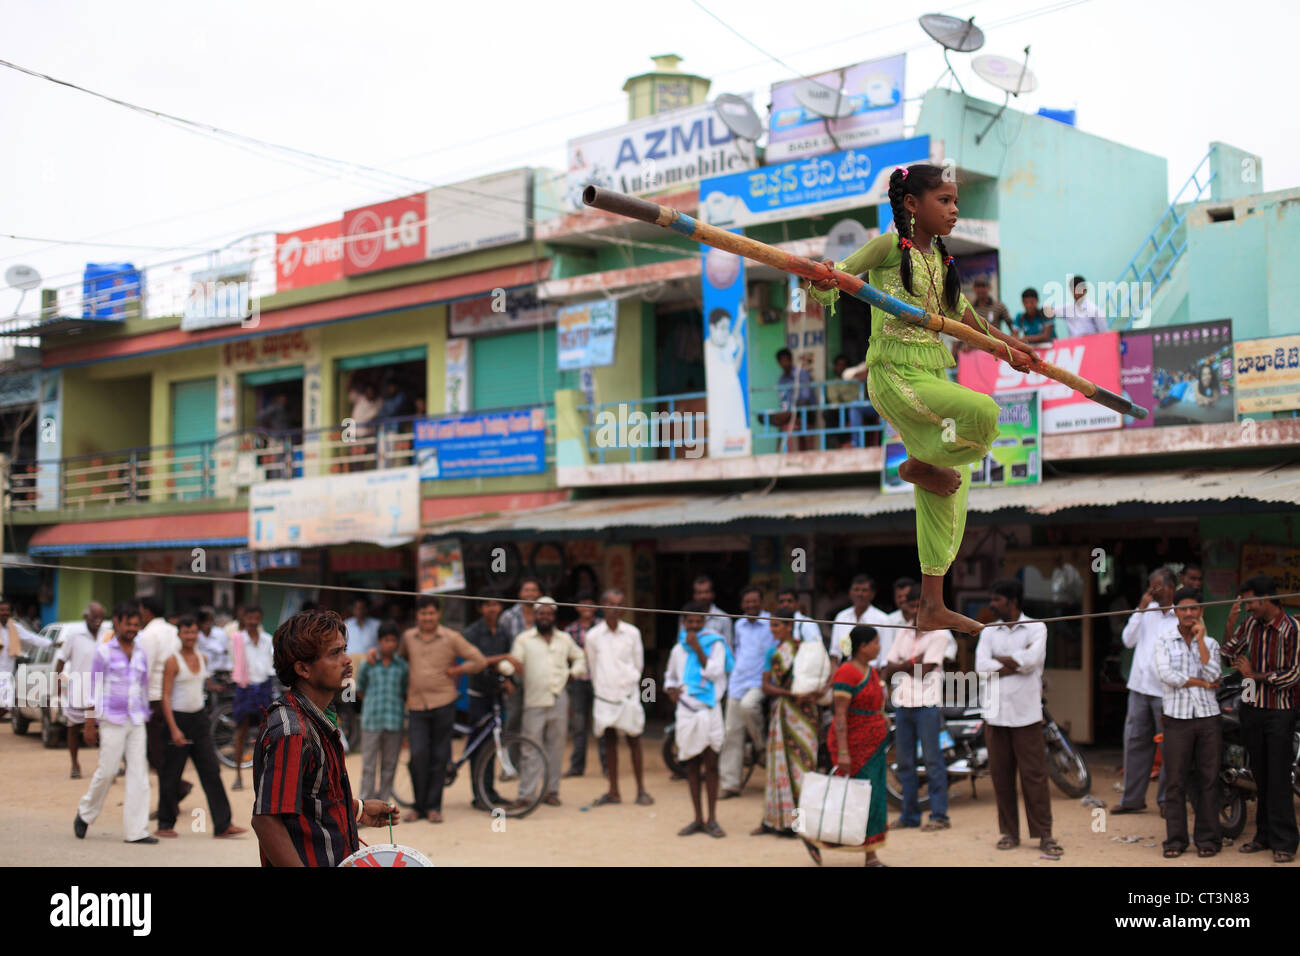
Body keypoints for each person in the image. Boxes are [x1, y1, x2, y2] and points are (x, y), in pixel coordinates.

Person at [811, 163, 1040, 636]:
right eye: (945, 201)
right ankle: (915, 466)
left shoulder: (941, 262)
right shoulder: (890, 247)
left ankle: (931, 604)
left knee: (951, 487)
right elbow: (829, 279)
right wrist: (826, 275)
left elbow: (968, 319)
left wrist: (1009, 347)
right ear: (913, 204)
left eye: (957, 202)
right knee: (984, 411)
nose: (955, 210)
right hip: (894, 375)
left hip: (931, 373)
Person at [251, 609, 399, 866]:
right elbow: (266, 820)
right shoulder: (293, 731)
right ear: (303, 668)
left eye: (344, 650)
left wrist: (358, 810)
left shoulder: (318, 716)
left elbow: (310, 799)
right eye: (334, 653)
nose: (347, 660)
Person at [371, 594, 484, 823]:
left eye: (432, 613)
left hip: (444, 703)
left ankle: (433, 807)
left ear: (438, 614)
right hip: (416, 705)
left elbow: (479, 660)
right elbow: (396, 658)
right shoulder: (408, 638)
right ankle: (418, 807)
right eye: (423, 613)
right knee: (418, 755)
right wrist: (375, 653)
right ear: (417, 616)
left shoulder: (451, 637)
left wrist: (458, 671)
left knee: (439, 756)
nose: (427, 617)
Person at [975, 578, 1062, 857]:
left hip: (1026, 715)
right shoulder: (988, 631)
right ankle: (1009, 833)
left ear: (1012, 602)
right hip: (996, 715)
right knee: (1001, 777)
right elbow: (981, 667)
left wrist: (1001, 661)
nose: (992, 604)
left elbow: (1031, 662)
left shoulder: (1037, 627)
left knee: (1034, 776)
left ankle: (1045, 835)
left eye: (997, 600)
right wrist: (1015, 662)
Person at [1221, 574, 1300, 863]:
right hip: (1252, 708)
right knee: (1261, 775)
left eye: (1251, 602)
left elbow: (1293, 674)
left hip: (1280, 711)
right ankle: (1263, 836)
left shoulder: (1293, 628)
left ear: (1266, 599)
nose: (1248, 608)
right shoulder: (1250, 624)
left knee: (1279, 777)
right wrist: (1231, 621)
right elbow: (1229, 654)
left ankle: (1286, 842)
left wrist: (1255, 675)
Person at [803, 625, 889, 867]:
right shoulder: (847, 673)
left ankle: (871, 855)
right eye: (875, 642)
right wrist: (843, 752)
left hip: (873, 745)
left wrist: (880, 717)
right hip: (852, 745)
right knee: (848, 799)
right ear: (863, 647)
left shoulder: (870, 671)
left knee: (872, 799)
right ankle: (810, 833)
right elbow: (840, 716)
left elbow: (872, 705)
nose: (878, 647)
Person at [74, 601, 156, 845]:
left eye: (136, 624)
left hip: (136, 719)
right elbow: (92, 689)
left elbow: (143, 686)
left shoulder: (141, 652)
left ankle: (137, 831)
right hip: (111, 719)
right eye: (128, 624)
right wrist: (89, 723)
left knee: (139, 774)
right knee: (107, 771)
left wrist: (145, 715)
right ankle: (85, 812)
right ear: (117, 623)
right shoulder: (103, 652)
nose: (133, 628)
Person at [156, 615, 245, 840]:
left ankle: (223, 824)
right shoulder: (172, 661)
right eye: (186, 632)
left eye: (193, 632)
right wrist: (174, 729)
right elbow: (165, 696)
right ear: (179, 634)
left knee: (211, 771)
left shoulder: (202, 657)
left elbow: (202, 686)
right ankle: (165, 823)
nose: (190, 636)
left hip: (199, 721)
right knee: (171, 773)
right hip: (178, 720)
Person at [1154, 587, 1222, 859]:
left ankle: (1207, 840)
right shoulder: (1164, 640)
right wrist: (1203, 683)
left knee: (1209, 780)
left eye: (1194, 608)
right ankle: (1175, 840)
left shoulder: (1212, 643)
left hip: (1208, 718)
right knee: (1175, 782)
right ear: (1176, 611)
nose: (1189, 613)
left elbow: (1215, 673)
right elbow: (1167, 675)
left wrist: (1201, 640)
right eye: (1183, 609)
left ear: (1201, 612)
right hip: (1176, 719)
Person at [884, 583, 953, 831]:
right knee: (905, 763)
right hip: (903, 703)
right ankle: (910, 816)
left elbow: (924, 672)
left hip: (927, 704)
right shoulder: (902, 631)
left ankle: (939, 816)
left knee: (933, 762)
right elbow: (887, 669)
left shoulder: (939, 634)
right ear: (908, 607)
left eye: (920, 605)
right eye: (912, 605)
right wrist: (914, 661)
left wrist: (902, 665)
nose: (916, 610)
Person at [665, 600, 734, 837]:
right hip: (685, 710)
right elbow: (670, 677)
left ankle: (712, 819)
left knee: (711, 765)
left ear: (704, 622)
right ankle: (697, 819)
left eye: (698, 621)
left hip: (709, 709)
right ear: (684, 623)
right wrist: (670, 690)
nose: (694, 626)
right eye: (690, 622)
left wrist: (698, 649)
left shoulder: (715, 643)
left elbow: (716, 671)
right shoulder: (677, 649)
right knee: (692, 765)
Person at [510, 597, 586, 807]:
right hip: (534, 700)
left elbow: (580, 657)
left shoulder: (564, 639)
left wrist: (574, 672)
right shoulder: (524, 639)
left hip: (559, 698)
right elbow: (514, 662)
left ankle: (551, 791)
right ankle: (526, 794)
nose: (545, 617)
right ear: (535, 616)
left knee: (556, 747)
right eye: (541, 614)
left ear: (554, 617)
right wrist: (506, 669)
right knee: (530, 748)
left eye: (549, 614)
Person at [1114, 567, 1177, 815]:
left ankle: (1165, 801)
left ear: (1171, 587)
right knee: (1134, 743)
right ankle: (1132, 799)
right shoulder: (1146, 611)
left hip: (1166, 692)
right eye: (1150, 586)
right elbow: (1127, 640)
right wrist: (1140, 608)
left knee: (1169, 747)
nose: (1152, 591)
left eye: (1157, 586)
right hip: (1139, 689)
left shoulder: (1180, 614)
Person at [754, 615, 824, 837]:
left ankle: (799, 824)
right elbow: (766, 686)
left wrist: (813, 692)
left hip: (805, 714)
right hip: (784, 712)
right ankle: (777, 821)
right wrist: (790, 693)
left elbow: (819, 674)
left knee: (803, 768)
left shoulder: (806, 649)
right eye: (771, 625)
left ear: (789, 626)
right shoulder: (772, 652)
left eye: (777, 625)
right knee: (779, 769)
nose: (773, 629)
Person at [586, 588, 653, 807]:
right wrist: (603, 689)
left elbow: (638, 664)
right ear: (602, 606)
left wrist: (628, 682)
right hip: (605, 695)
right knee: (609, 742)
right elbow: (593, 666)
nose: (615, 609)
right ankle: (613, 791)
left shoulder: (632, 633)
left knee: (634, 739)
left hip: (628, 694)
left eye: (619, 604)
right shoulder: (593, 636)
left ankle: (641, 790)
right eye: (610, 604)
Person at [462, 592, 518, 808]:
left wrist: (508, 680)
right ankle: (479, 796)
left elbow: (507, 663)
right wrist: (502, 659)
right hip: (478, 696)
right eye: (487, 605)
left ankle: (490, 793)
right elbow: (477, 662)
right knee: (478, 746)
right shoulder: (473, 632)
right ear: (480, 609)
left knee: (493, 744)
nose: (492, 608)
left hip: (496, 694)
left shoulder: (503, 633)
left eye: (495, 603)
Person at [719, 586, 774, 799]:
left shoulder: (770, 623)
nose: (751, 605)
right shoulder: (739, 624)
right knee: (731, 733)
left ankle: (761, 748)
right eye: (747, 602)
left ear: (761, 603)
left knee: (749, 707)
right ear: (743, 605)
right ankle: (730, 784)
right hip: (738, 682)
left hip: (760, 681)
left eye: (755, 602)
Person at [136, 596, 186, 805]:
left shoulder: (148, 635)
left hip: (154, 698)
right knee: (164, 750)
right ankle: (176, 790)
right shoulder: (173, 631)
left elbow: (143, 670)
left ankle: (175, 792)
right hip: (171, 697)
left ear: (146, 611)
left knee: (156, 752)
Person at [355, 622, 408, 805]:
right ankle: (366, 806)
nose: (390, 644)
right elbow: (360, 689)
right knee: (369, 767)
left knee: (389, 766)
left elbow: (404, 691)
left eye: (393, 641)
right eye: (386, 640)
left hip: (394, 721)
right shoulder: (368, 664)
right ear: (379, 641)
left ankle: (383, 805)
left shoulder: (402, 666)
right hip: (371, 721)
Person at [55, 601, 107, 779]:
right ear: (86, 616)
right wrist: (58, 687)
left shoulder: (107, 635)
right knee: (73, 728)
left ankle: (107, 764)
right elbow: (60, 661)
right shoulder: (74, 635)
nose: (98, 621)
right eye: (94, 617)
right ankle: (75, 764)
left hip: (102, 692)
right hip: (78, 690)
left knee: (106, 729)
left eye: (101, 617)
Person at [229, 605, 276, 792]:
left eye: (256, 618)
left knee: (265, 733)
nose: (253, 621)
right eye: (250, 618)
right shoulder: (237, 640)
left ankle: (264, 774)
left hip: (264, 686)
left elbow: (272, 663)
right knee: (240, 731)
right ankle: (238, 774)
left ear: (260, 618)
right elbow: (233, 662)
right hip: (245, 688)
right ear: (244, 618)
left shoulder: (267, 639)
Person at [499, 577, 541, 733]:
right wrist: (506, 679)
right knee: (513, 720)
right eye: (526, 590)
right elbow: (502, 649)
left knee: (535, 722)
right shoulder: (508, 617)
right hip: (515, 678)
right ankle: (512, 757)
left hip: (538, 678)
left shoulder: (544, 615)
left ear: (539, 594)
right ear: (520, 593)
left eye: (533, 590)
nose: (530, 593)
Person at [564, 592, 598, 778]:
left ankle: (608, 766)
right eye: (583, 604)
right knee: (579, 725)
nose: (586, 607)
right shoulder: (570, 630)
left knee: (601, 723)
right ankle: (577, 766)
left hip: (599, 680)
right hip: (578, 682)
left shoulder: (602, 628)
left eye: (590, 603)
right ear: (577, 607)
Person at [831, 574, 891, 663]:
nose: (860, 594)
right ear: (850, 592)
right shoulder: (841, 617)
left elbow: (885, 660)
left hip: (871, 673)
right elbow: (834, 654)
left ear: (872, 594)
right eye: (856, 590)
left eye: (864, 590)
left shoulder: (883, 620)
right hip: (844, 670)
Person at [773, 347, 817, 451]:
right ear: (779, 363)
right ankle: (778, 453)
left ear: (791, 360)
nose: (784, 363)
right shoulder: (782, 379)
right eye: (781, 361)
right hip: (790, 413)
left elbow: (805, 397)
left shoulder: (801, 374)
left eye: (786, 360)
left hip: (806, 411)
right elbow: (783, 400)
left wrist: (790, 410)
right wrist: (786, 411)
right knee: (767, 417)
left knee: (800, 406)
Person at [954, 276, 1013, 354]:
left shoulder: (999, 306)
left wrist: (1011, 342)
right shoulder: (969, 309)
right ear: (974, 288)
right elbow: (965, 330)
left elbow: (1012, 326)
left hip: (995, 350)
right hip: (974, 352)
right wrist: (964, 344)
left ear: (989, 287)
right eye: (978, 286)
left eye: (983, 286)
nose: (980, 289)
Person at [874, 577, 917, 667]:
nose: (903, 600)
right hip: (895, 672)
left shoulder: (929, 619)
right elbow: (884, 654)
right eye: (899, 596)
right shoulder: (888, 621)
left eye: (906, 596)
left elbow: (948, 649)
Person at [692, 575, 734, 651]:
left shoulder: (724, 618)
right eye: (699, 592)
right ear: (694, 595)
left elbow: (728, 648)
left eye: (706, 592)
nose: (703, 596)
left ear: (713, 594)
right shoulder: (686, 616)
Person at [195, 607, 230, 674]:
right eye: (204, 620)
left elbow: (226, 653)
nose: (208, 623)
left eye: (210, 620)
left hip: (219, 673)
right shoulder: (195, 635)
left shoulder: (220, 633)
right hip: (200, 673)